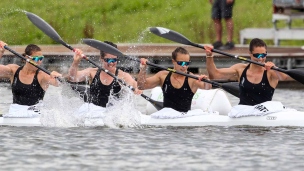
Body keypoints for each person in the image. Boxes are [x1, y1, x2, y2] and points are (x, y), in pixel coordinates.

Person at [204, 38, 290, 106]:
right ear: (250, 53)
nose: (260, 58)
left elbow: (285, 77)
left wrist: (275, 68)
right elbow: (214, 75)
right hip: (244, 112)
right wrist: (209, 56)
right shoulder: (240, 69)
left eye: (263, 55)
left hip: (264, 114)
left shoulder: (271, 72)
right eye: (257, 55)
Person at [68, 41, 140, 110]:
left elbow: (135, 84)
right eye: (108, 60)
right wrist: (76, 62)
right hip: (93, 112)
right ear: (101, 59)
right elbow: (72, 78)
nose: (111, 63)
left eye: (114, 60)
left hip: (110, 115)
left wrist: (137, 89)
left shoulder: (122, 75)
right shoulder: (92, 72)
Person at [137, 47, 212, 113]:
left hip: (184, 118)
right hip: (166, 116)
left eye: (187, 63)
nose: (184, 66)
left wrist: (206, 80)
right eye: (181, 63)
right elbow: (141, 86)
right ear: (173, 61)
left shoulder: (191, 78)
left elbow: (207, 87)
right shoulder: (162, 76)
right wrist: (143, 68)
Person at [0, 41, 62, 117]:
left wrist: (57, 77)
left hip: (34, 114)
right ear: (27, 58)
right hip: (15, 113)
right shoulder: (14, 70)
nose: (39, 62)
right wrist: (1, 52)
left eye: (41, 58)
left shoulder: (42, 75)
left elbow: (58, 83)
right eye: (36, 59)